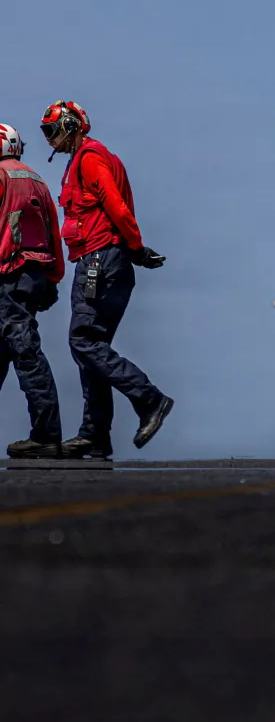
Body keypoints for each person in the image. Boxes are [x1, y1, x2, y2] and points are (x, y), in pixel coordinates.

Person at [40, 100, 173, 460]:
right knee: (92, 348)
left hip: (99, 260)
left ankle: (150, 399)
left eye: (53, 129)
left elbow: (115, 205)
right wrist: (134, 251)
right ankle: (94, 435)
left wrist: (136, 246)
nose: (50, 138)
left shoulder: (89, 158)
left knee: (83, 341)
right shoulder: (95, 158)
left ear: (72, 125)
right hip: (109, 261)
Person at [0, 123, 65, 458]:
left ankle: (46, 435)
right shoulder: (36, 178)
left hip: (7, 276)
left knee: (25, 352)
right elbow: (53, 230)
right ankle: (46, 433)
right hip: (34, 276)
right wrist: (53, 278)